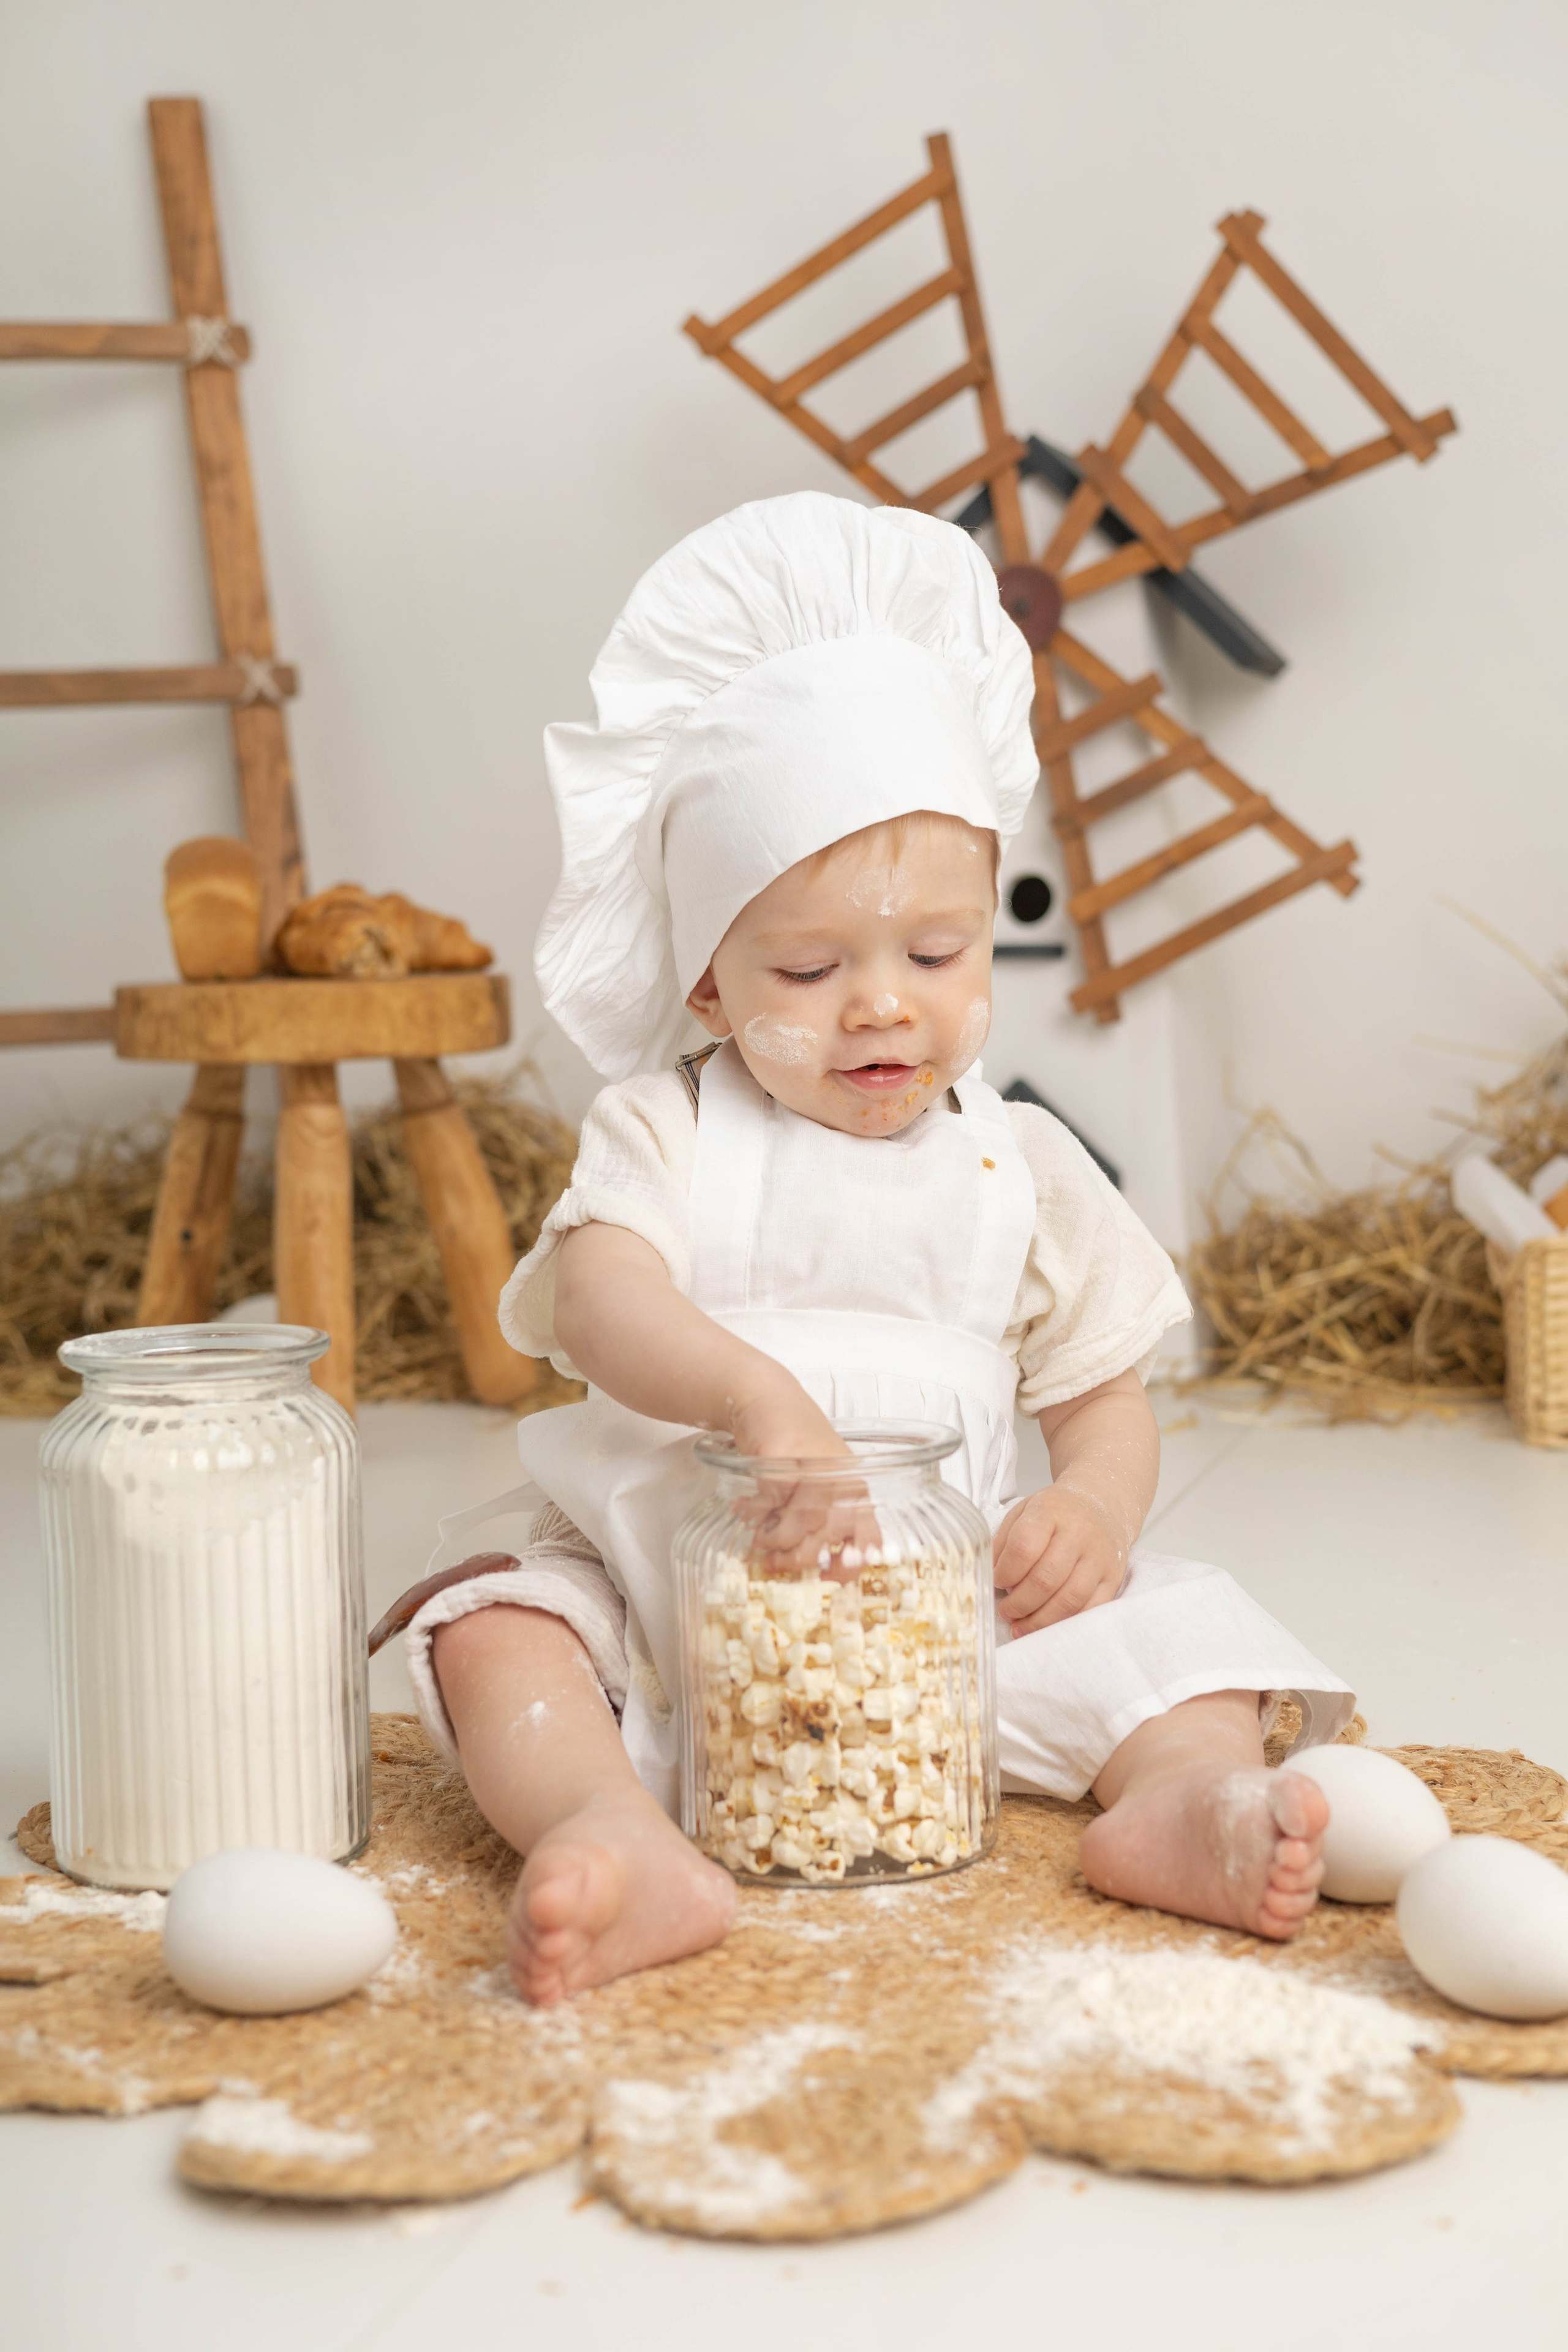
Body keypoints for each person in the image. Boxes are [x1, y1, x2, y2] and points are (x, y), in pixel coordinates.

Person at [402, 494, 1351, 2007]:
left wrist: (1091, 1510)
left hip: (945, 1640)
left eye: (936, 952)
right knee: (495, 1634)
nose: (882, 1005)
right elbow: (596, 1297)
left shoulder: (1020, 1168)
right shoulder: (668, 1128)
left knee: (1185, 1642)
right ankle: (606, 1827)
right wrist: (755, 1402)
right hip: (665, 1618)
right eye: (806, 966)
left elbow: (1098, 1397)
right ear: (707, 985)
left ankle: (1180, 1805)